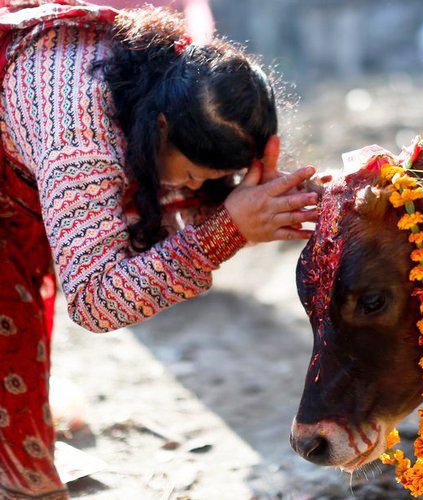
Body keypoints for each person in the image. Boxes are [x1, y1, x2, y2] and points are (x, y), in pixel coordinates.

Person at [0, 1, 318, 497]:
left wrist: (257, 200)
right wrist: (224, 233)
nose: (191, 188)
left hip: (19, 182)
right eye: (191, 175)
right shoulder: (81, 143)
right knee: (25, 470)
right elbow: (95, 299)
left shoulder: (173, 73)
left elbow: (179, 199)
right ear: (161, 128)